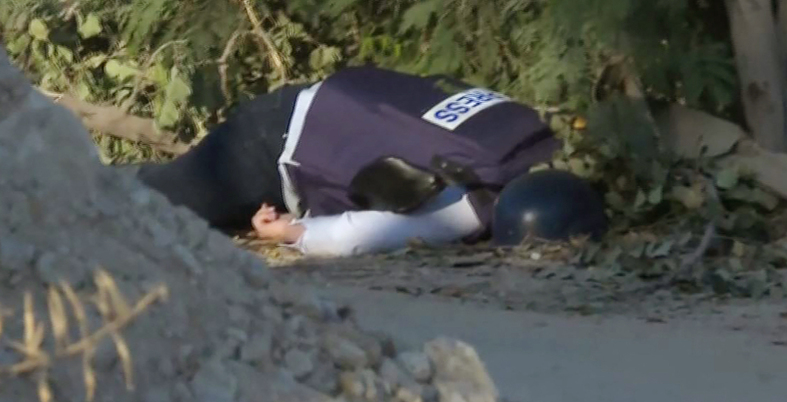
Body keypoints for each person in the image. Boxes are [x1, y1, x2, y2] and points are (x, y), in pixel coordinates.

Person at [136, 66, 562, 257]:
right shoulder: (469, 209)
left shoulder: (521, 143)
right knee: (149, 202)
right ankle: (73, 176)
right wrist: (291, 232)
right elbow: (357, 236)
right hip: (272, 147)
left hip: (306, 112)